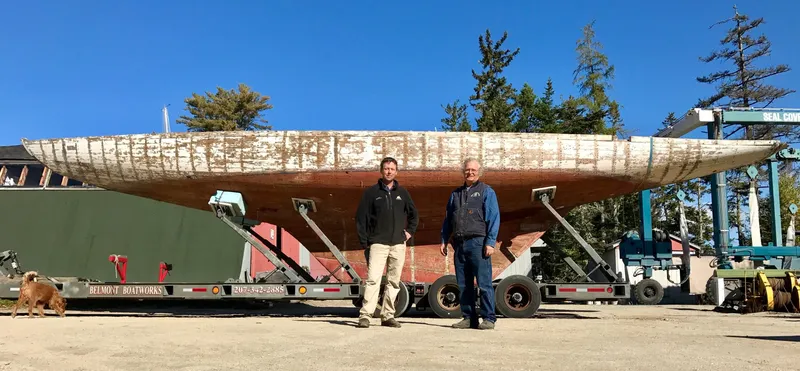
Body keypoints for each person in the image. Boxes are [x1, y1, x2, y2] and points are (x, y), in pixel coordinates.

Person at [355, 156, 419, 328]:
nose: (389, 171)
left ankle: (387, 315)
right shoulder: (371, 193)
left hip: (398, 244)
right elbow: (361, 219)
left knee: (393, 281)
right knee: (373, 279)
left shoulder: (403, 193)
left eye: (392, 169)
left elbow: (414, 215)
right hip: (378, 243)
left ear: (396, 171)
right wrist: (365, 243)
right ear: (381, 170)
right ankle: (366, 315)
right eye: (386, 168)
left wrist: (409, 232)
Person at [440, 157, 500, 330]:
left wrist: (490, 243)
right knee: (464, 284)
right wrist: (444, 239)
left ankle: (489, 318)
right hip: (460, 244)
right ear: (463, 172)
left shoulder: (486, 191)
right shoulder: (455, 194)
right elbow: (448, 219)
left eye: (473, 170)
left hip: (478, 243)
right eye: (467, 170)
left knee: (484, 283)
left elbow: (494, 218)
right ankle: (468, 318)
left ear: (479, 172)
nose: (470, 172)